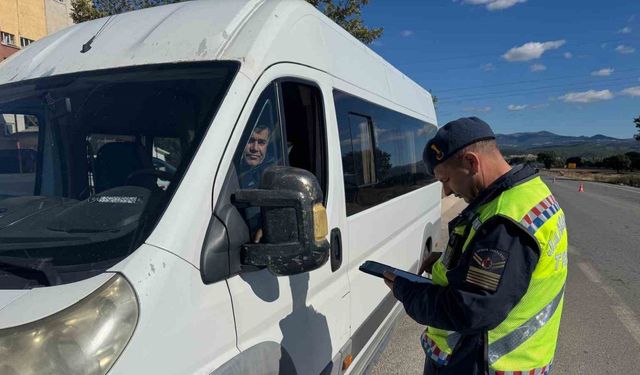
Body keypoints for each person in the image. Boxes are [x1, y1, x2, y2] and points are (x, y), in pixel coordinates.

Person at [384, 117, 568, 375]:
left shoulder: (504, 223)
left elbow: (469, 310)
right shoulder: (529, 194)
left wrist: (406, 290)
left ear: (471, 162)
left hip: (481, 364)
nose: (447, 192)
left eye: (446, 179)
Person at [238, 124, 272, 189]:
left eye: (261, 142)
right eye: (250, 141)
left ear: (267, 144)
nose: (255, 148)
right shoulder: (229, 165)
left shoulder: (271, 175)